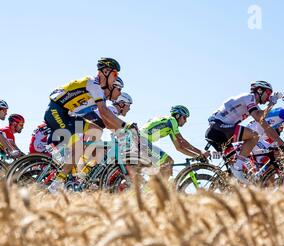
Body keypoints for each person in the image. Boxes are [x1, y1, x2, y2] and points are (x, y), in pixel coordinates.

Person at [45, 58, 135, 192]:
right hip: (56, 110)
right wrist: (125, 126)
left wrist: (120, 130)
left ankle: (79, 167)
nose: (116, 78)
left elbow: (105, 121)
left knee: (96, 130)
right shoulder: (94, 84)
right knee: (79, 146)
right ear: (105, 71)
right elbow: (104, 112)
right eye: (115, 74)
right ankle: (57, 183)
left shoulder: (100, 91)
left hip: (69, 114)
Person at [205, 81, 284, 183]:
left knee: (240, 171)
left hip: (218, 130)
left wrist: (281, 143)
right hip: (219, 128)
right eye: (268, 93)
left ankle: (228, 187)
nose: (268, 97)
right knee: (254, 136)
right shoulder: (249, 97)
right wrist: (271, 103)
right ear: (259, 91)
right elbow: (258, 116)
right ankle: (237, 167)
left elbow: (264, 123)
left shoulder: (252, 103)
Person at [141, 105, 209, 179]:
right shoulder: (172, 120)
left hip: (141, 142)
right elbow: (182, 141)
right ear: (177, 115)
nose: (186, 121)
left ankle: (155, 187)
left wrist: (196, 156)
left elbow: (179, 148)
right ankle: (159, 189)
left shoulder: (170, 127)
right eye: (184, 117)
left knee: (163, 168)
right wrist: (200, 152)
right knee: (168, 161)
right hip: (142, 142)